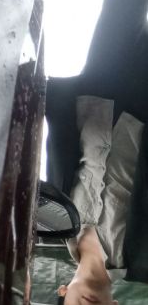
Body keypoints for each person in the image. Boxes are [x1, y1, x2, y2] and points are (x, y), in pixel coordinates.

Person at [56, 96, 145, 305]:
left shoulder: (58, 223)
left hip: (94, 100)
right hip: (141, 109)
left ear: (63, 292)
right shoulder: (141, 261)